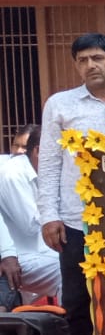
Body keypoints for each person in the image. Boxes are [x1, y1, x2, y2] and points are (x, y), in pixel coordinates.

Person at [38, 32, 105, 335]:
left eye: (98, 58)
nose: (90, 65)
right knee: (76, 304)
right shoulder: (60, 105)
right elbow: (49, 163)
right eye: (83, 60)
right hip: (76, 220)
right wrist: (49, 216)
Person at [0, 126, 60, 308]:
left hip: (38, 252)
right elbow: (31, 226)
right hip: (19, 257)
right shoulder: (13, 175)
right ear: (38, 151)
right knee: (68, 270)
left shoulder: (36, 171)